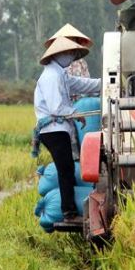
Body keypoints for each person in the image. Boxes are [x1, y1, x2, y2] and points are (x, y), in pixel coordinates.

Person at [33, 36, 101, 223]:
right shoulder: (51, 76)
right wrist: (75, 113)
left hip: (59, 128)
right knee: (65, 169)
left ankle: (70, 209)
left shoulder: (61, 74)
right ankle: (69, 211)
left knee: (68, 168)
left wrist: (105, 83)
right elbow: (56, 107)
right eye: (69, 53)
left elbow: (81, 84)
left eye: (72, 53)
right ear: (59, 54)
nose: (71, 56)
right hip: (52, 130)